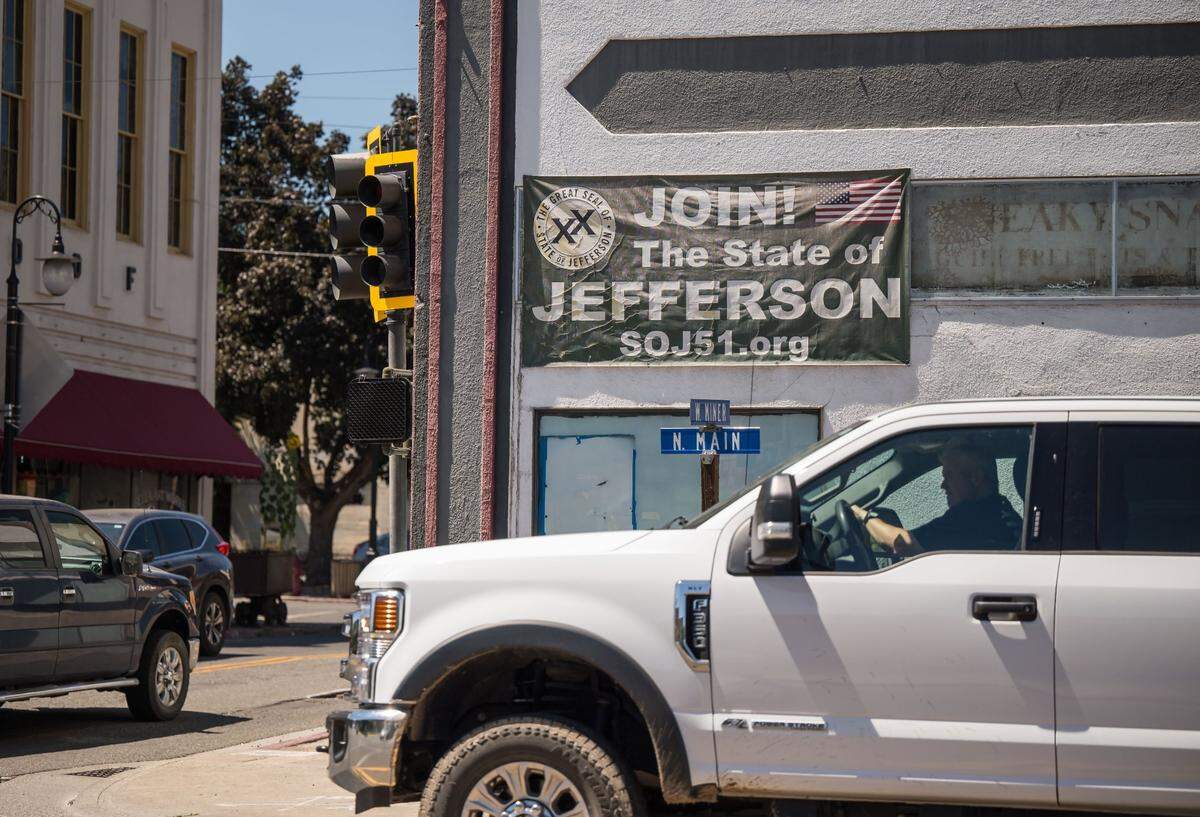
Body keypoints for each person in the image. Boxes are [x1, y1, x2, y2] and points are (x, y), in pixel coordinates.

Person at [850, 442, 1022, 556]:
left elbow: (902, 543)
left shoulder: (972, 517)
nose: (943, 485)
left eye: (949, 476)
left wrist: (861, 515)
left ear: (975, 478)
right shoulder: (999, 510)